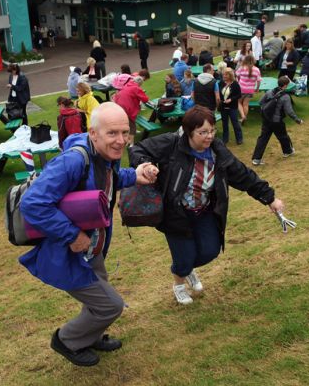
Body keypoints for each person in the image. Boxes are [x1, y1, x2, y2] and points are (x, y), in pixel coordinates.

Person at [19, 102, 158, 367]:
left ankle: (90, 335)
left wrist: (136, 175)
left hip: (91, 248)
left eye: (124, 133)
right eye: (112, 133)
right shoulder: (74, 161)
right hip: (67, 252)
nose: (120, 141)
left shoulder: (104, 156)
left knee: (100, 292)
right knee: (110, 305)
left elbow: (108, 178)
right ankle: (67, 339)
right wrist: (72, 235)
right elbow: (32, 203)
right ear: (93, 133)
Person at [129, 106, 286, 305]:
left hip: (204, 211)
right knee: (184, 257)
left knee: (210, 251)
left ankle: (186, 269)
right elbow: (138, 149)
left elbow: (243, 175)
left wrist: (270, 198)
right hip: (175, 214)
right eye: (203, 132)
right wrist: (146, 164)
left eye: (212, 130)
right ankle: (179, 283)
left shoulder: (218, 152)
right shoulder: (172, 144)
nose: (209, 136)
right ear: (189, 132)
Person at [251, 76, 303, 165]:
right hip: (277, 121)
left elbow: (260, 102)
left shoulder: (269, 91)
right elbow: (289, 111)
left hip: (266, 120)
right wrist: (298, 120)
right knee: (283, 136)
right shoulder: (285, 96)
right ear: (285, 85)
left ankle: (256, 159)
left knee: (263, 138)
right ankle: (288, 151)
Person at [111, 75, 149, 146]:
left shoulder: (127, 85)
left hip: (118, 106)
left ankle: (126, 139)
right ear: (139, 83)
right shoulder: (136, 88)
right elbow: (145, 99)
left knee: (126, 123)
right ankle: (131, 143)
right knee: (132, 125)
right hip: (127, 108)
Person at [218, 68, 243, 145]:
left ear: (230, 75)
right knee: (224, 123)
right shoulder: (221, 83)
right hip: (223, 107)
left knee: (235, 123)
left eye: (226, 74)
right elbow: (218, 93)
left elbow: (239, 94)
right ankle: (225, 139)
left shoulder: (235, 84)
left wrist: (231, 99)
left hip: (232, 107)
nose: (224, 76)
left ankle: (239, 139)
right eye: (223, 74)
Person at [234, 54, 261, 123]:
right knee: (245, 104)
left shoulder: (242, 67)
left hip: (241, 88)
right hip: (250, 90)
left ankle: (242, 116)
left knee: (238, 102)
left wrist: (238, 80)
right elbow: (258, 81)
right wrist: (257, 88)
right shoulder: (257, 70)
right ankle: (243, 118)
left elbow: (236, 75)